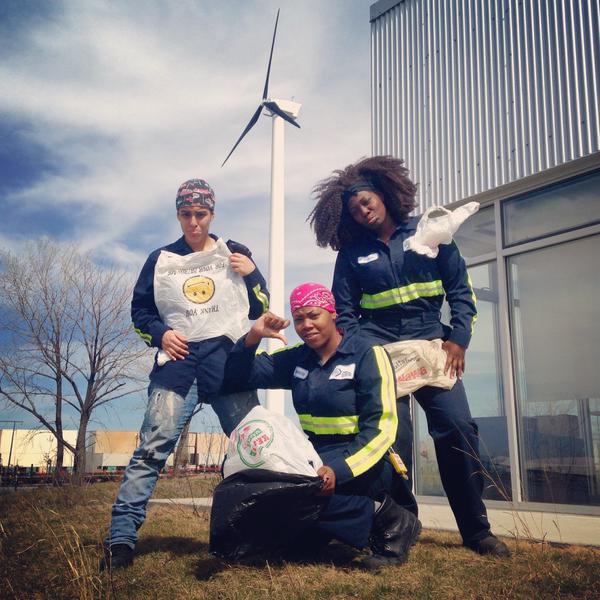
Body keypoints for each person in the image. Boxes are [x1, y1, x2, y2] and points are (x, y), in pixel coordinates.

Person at [308, 155, 510, 557]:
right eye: (353, 209)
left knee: (457, 429)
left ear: (383, 195)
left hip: (433, 349)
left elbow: (460, 291)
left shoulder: (428, 232)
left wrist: (459, 339)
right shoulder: (350, 254)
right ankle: (399, 527)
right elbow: (345, 313)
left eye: (366, 201)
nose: (362, 210)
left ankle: (476, 531)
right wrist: (365, 353)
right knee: (390, 440)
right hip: (382, 354)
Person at [102, 178, 269, 570]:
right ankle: (121, 541)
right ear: (178, 214)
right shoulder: (159, 259)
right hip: (177, 368)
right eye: (186, 214)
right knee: (150, 451)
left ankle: (262, 532)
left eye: (201, 214)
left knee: (254, 448)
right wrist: (161, 334)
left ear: (212, 213)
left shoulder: (234, 252)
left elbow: (259, 307)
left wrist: (254, 273)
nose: (193, 222)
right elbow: (140, 313)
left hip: (228, 363)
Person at [223, 282, 421, 570]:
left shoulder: (367, 354)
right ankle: (321, 530)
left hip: (366, 462)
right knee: (267, 486)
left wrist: (336, 471)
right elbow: (238, 376)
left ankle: (391, 519)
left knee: (296, 490)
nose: (306, 325)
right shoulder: (297, 358)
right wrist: (253, 337)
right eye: (299, 318)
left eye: (314, 315)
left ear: (332, 314)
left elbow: (381, 429)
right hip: (317, 457)